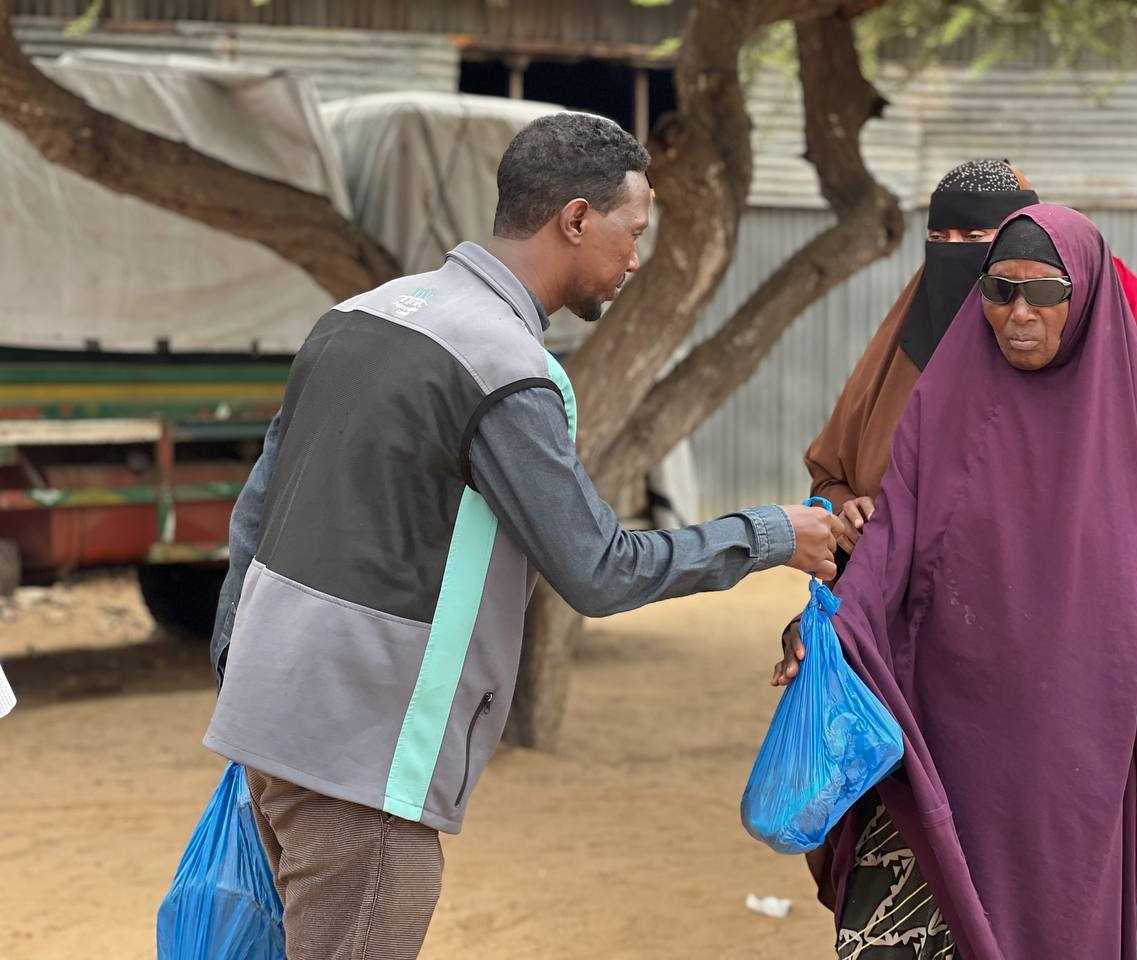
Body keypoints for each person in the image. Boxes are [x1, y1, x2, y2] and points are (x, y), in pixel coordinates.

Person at [202, 112, 844, 960]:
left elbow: (255, 513)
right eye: (632, 232)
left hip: (274, 722)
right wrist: (769, 535)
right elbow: (600, 570)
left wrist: (242, 668)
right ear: (576, 219)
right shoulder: (503, 367)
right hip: (366, 755)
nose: (636, 260)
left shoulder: (360, 313)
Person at [786, 205, 1137, 958]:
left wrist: (1122, 653)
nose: (1019, 314)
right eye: (1000, 291)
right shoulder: (945, 405)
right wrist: (825, 639)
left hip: (1066, 755)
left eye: (1042, 292)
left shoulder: (1129, 419)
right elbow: (888, 548)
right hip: (934, 736)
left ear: (1085, 295)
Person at [803, 158, 1038, 554]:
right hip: (889, 593)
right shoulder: (903, 348)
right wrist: (849, 510)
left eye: (974, 235)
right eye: (939, 237)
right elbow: (829, 478)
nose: (952, 252)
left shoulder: (1051, 352)